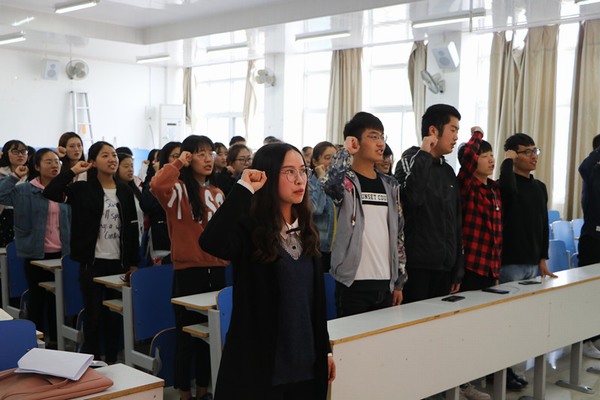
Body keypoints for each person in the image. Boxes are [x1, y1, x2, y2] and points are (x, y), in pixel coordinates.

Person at [200, 143, 335, 399]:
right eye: (289, 172)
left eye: (303, 171)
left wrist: (325, 350)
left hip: (305, 365)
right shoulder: (250, 230)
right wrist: (244, 189)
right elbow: (210, 241)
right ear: (269, 176)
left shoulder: (307, 230)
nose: (300, 179)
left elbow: (314, 304)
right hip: (262, 367)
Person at [43, 141, 140, 363]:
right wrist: (73, 172)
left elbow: (132, 229)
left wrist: (133, 262)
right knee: (93, 317)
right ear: (93, 162)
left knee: (114, 317)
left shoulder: (125, 190)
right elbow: (51, 192)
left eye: (114, 155)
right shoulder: (83, 189)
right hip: (92, 263)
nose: (112, 159)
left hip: (118, 264)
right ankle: (92, 363)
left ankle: (113, 361)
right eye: (105, 155)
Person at [151, 135, 228, 400]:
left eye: (210, 153)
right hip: (188, 272)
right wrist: (178, 162)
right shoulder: (178, 191)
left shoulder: (218, 193)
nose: (208, 159)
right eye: (199, 153)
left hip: (217, 269)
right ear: (188, 157)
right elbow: (157, 185)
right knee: (187, 337)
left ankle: (204, 390)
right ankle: (185, 393)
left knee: (210, 336)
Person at [322, 112, 407, 317]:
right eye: (373, 136)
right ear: (355, 141)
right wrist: (344, 151)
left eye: (382, 137)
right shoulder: (347, 182)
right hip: (352, 283)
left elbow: (399, 234)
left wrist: (399, 280)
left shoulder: (390, 185)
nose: (381, 143)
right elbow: (330, 184)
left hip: (385, 283)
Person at [0, 148, 70, 348]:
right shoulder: (25, 190)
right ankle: (35, 343)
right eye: (49, 161)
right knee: (37, 299)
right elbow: (1, 194)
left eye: (57, 161)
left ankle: (56, 341)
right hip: (35, 253)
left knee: (58, 301)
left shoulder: (65, 190)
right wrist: (15, 176)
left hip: (61, 254)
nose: (54, 165)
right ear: (37, 166)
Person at [395, 104, 464, 304]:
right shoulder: (408, 162)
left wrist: (457, 265)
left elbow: (456, 221)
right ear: (433, 130)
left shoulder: (448, 171)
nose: (456, 137)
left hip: (445, 268)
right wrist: (424, 154)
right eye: (453, 130)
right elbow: (412, 199)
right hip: (417, 268)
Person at [457, 127, 502, 291]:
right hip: (472, 265)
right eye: (484, 156)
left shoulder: (494, 189)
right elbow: (468, 157)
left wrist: (496, 272)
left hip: (491, 267)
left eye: (491, 155)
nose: (491, 160)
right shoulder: (467, 185)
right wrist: (477, 134)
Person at [576, 134, 600, 358]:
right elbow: (583, 166)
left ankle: (596, 335)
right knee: (588, 293)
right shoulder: (591, 171)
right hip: (592, 240)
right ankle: (585, 341)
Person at [140, 142, 181, 265]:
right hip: (162, 242)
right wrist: (161, 178)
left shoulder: (189, 183)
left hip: (185, 245)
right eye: (175, 156)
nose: (180, 160)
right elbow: (146, 205)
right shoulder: (155, 182)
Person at [308, 141, 337, 272]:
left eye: (334, 158)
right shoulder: (309, 184)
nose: (332, 162)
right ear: (315, 162)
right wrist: (321, 180)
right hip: (317, 248)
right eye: (327, 158)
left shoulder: (338, 186)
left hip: (336, 249)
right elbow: (316, 209)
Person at [0, 140, 29, 247]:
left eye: (24, 151)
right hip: (4, 217)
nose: (20, 155)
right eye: (15, 151)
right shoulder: (1, 172)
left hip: (25, 217)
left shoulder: (32, 175)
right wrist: (15, 176)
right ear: (6, 153)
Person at [116, 152, 144, 244]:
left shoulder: (137, 190)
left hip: (139, 237)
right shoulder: (114, 191)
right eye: (126, 166)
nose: (130, 170)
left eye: (132, 166)